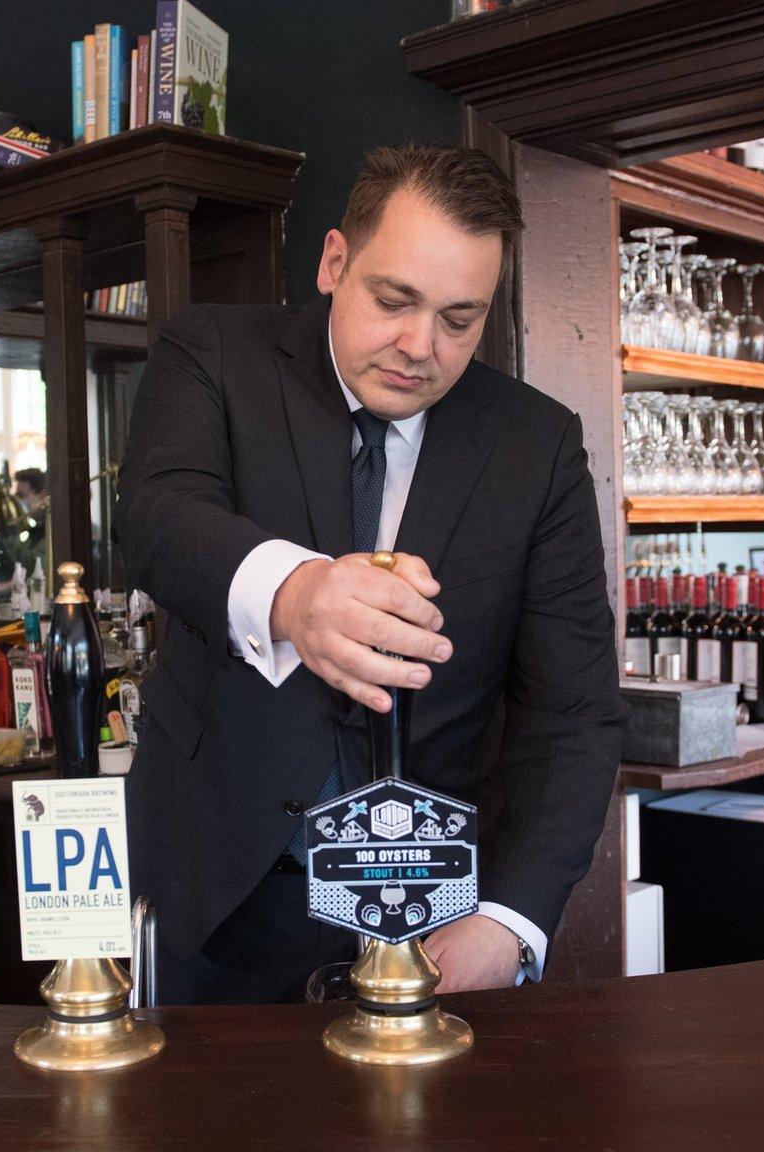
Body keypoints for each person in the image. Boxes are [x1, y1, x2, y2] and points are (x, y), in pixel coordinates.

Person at [116, 144, 625, 1004]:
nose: (419, 346)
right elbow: (160, 519)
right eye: (394, 301)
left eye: (459, 320)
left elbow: (572, 715)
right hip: (214, 901)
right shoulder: (215, 355)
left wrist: (510, 921)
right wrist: (294, 594)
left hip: (434, 925)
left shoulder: (535, 444)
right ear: (333, 262)